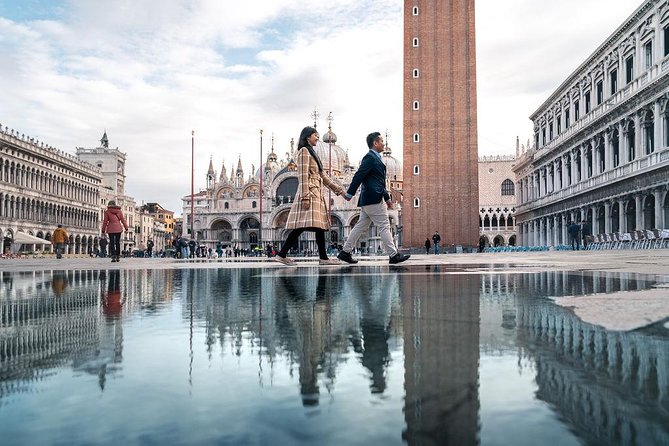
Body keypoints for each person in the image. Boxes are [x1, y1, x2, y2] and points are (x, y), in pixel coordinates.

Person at [275, 126, 346, 266]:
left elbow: (323, 176)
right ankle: (283, 254)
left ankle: (321, 258)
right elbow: (302, 176)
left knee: (318, 226)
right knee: (303, 226)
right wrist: (305, 197)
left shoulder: (312, 152)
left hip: (316, 193)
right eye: (315, 135)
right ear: (307, 137)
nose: (318, 138)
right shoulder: (304, 152)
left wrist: (339, 190)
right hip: (310, 193)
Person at [337, 132, 410, 265]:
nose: (383, 143)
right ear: (375, 143)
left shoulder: (376, 158)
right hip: (373, 198)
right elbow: (359, 175)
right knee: (384, 225)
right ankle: (393, 255)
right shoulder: (370, 158)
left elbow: (380, 182)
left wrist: (387, 199)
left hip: (370, 198)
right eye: (381, 141)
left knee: (360, 226)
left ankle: (345, 252)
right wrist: (349, 193)